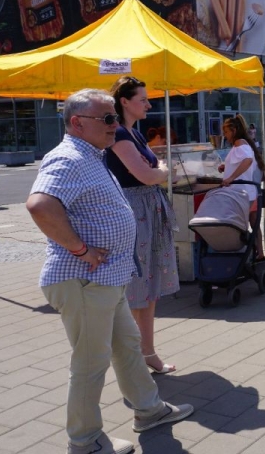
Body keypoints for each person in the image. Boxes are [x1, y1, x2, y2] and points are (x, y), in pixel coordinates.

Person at [27, 88, 193, 454]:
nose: (114, 124)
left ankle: (149, 410)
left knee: (128, 347)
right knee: (91, 364)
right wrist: (80, 249)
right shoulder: (69, 157)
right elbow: (40, 205)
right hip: (84, 280)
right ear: (77, 123)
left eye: (115, 117)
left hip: (105, 278)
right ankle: (84, 441)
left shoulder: (92, 155)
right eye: (107, 118)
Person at [105, 76, 180, 375]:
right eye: (143, 99)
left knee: (148, 287)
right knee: (138, 287)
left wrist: (157, 171)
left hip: (146, 211)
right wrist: (162, 171)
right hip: (135, 213)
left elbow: (150, 172)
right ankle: (135, 356)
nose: (149, 104)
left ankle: (146, 352)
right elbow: (148, 175)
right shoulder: (119, 134)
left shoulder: (133, 133)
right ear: (124, 101)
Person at [219, 115, 265, 261]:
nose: (225, 136)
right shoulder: (243, 144)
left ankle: (244, 254)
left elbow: (247, 160)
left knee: (241, 224)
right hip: (249, 192)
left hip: (241, 193)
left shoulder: (240, 143)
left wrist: (231, 178)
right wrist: (227, 167)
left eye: (226, 132)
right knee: (254, 223)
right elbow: (244, 162)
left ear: (234, 130)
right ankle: (259, 252)